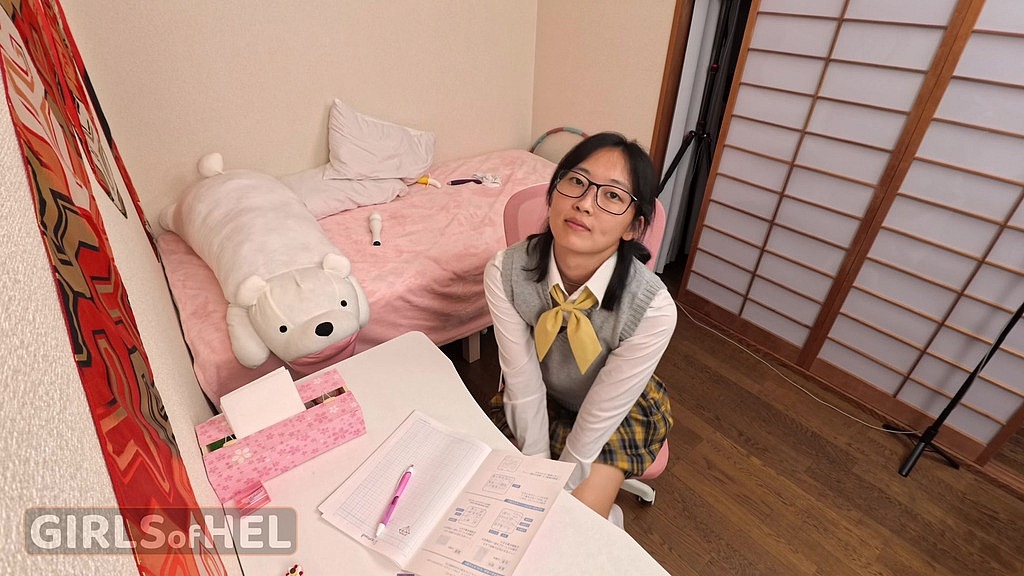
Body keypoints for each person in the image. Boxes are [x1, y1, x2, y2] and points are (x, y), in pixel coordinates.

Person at [484, 131, 676, 522]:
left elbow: (601, 416)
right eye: (576, 181)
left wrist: (564, 489)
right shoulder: (505, 272)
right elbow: (522, 380)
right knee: (505, 505)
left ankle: (607, 517)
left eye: (613, 196)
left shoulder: (653, 309)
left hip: (617, 409)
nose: (585, 203)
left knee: (570, 521)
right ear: (553, 193)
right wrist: (538, 473)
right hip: (543, 393)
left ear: (633, 227)